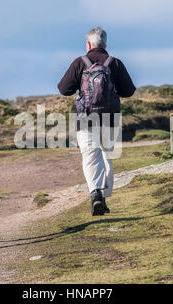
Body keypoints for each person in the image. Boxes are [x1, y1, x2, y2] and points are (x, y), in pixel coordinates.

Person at [58, 27, 136, 216]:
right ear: (105, 44)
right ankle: (103, 198)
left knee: (91, 156)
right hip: (110, 118)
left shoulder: (80, 63)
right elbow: (129, 91)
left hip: (85, 119)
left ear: (88, 44)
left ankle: (96, 195)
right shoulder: (114, 63)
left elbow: (63, 89)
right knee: (106, 157)